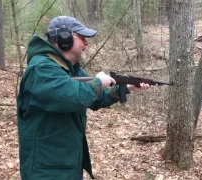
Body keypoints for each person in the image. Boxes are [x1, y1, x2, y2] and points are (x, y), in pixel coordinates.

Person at [16, 16, 149, 180]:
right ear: (64, 38)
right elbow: (75, 97)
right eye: (82, 38)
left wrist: (126, 88)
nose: (86, 44)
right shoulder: (41, 68)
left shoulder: (69, 68)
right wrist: (98, 83)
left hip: (66, 162)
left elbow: (94, 97)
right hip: (46, 169)